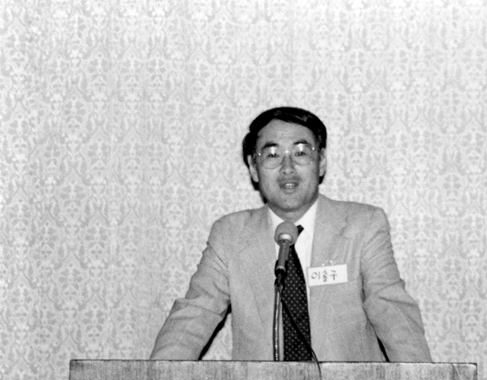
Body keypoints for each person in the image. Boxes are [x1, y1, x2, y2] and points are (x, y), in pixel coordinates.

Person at [150, 106, 432, 362]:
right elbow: (195, 315)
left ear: (321, 161)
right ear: (254, 168)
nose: (287, 168)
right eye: (272, 155)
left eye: (300, 153)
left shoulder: (363, 225)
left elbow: (393, 312)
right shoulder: (230, 235)